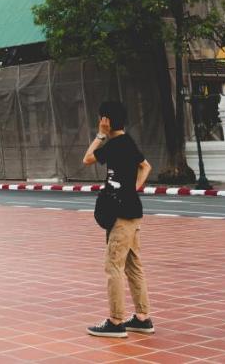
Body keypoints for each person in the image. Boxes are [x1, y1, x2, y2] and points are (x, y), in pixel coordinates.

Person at [82, 100, 154, 338]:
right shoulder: (128, 142)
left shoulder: (114, 144)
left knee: (113, 266)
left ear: (106, 121)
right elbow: (146, 167)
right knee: (134, 266)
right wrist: (133, 189)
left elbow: (87, 159)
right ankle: (142, 318)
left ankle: (115, 321)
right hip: (133, 213)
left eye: (101, 119)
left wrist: (100, 136)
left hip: (121, 217)